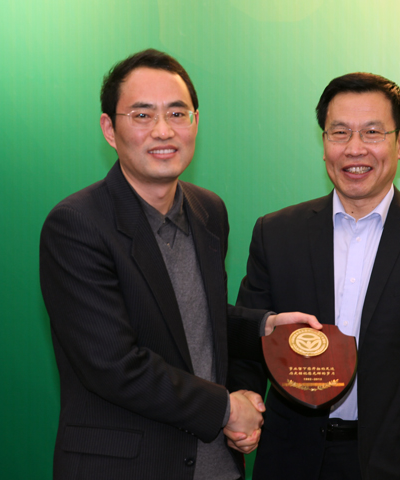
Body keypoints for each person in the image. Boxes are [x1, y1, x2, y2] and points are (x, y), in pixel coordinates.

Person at [39, 49, 318, 480]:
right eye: (142, 115)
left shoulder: (209, 211)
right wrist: (227, 409)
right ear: (109, 129)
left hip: (215, 466)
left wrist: (264, 327)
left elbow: (187, 318)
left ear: (196, 122)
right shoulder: (77, 224)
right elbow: (113, 364)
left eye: (176, 113)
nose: (163, 130)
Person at [233, 72, 400, 479]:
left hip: (399, 464)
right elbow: (249, 343)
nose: (354, 149)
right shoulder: (276, 234)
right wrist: (244, 399)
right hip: (291, 460)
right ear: (324, 143)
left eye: (372, 132)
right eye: (340, 132)